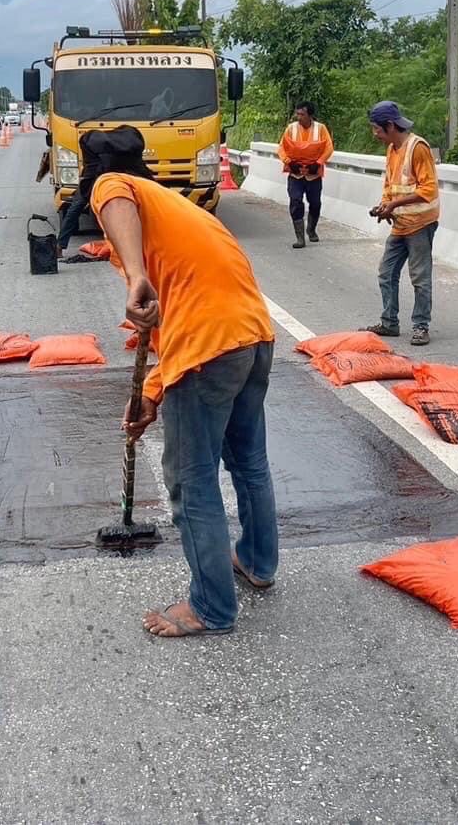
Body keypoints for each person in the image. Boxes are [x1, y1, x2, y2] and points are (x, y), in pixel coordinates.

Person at [86, 126, 278, 639]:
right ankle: (257, 562)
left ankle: (211, 607)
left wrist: (134, 275)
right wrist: (152, 393)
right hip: (253, 338)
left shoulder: (113, 184)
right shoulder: (179, 209)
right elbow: (176, 319)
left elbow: (112, 194)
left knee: (191, 481)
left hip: (210, 348)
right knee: (248, 461)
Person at [361, 101, 439, 347]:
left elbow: (428, 189)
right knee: (386, 273)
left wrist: (394, 204)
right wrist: (385, 206)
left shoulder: (418, 148)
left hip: (420, 223)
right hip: (400, 223)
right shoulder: (392, 149)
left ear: (390, 126)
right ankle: (389, 322)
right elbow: (390, 184)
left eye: (377, 129)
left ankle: (421, 326)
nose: (375, 134)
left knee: (420, 277)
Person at [277, 100, 334, 248]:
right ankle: (300, 238)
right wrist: (289, 162)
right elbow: (281, 148)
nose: (299, 117)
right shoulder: (291, 128)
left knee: (315, 204)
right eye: (297, 114)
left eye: (302, 114)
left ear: (310, 115)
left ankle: (311, 229)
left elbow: (329, 148)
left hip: (313, 174)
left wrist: (318, 163)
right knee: (295, 201)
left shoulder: (321, 129)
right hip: (295, 174)